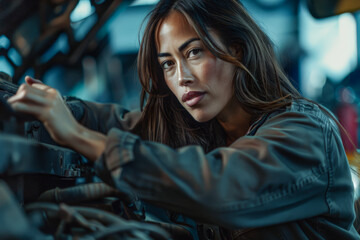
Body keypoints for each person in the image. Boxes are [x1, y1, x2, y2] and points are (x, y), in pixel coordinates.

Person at [7, 0, 359, 239]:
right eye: (168, 64)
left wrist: (77, 137)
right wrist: (57, 106)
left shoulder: (307, 132)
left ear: (237, 48)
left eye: (193, 52)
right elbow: (124, 124)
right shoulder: (210, 133)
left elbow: (220, 187)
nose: (182, 77)